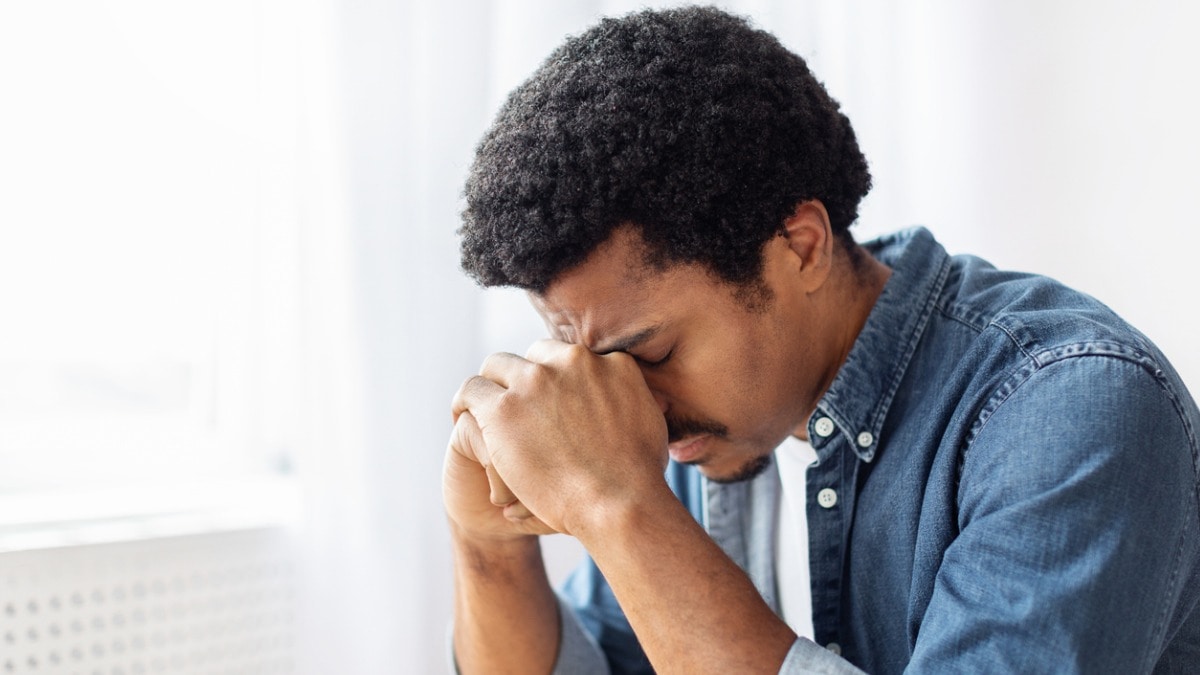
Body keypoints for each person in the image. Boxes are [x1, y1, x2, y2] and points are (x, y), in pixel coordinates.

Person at [444, 6, 1200, 674]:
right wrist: (488, 543)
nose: (627, 400)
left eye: (652, 352)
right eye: (588, 357)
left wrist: (617, 506)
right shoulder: (692, 425)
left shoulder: (1071, 410)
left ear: (801, 245)